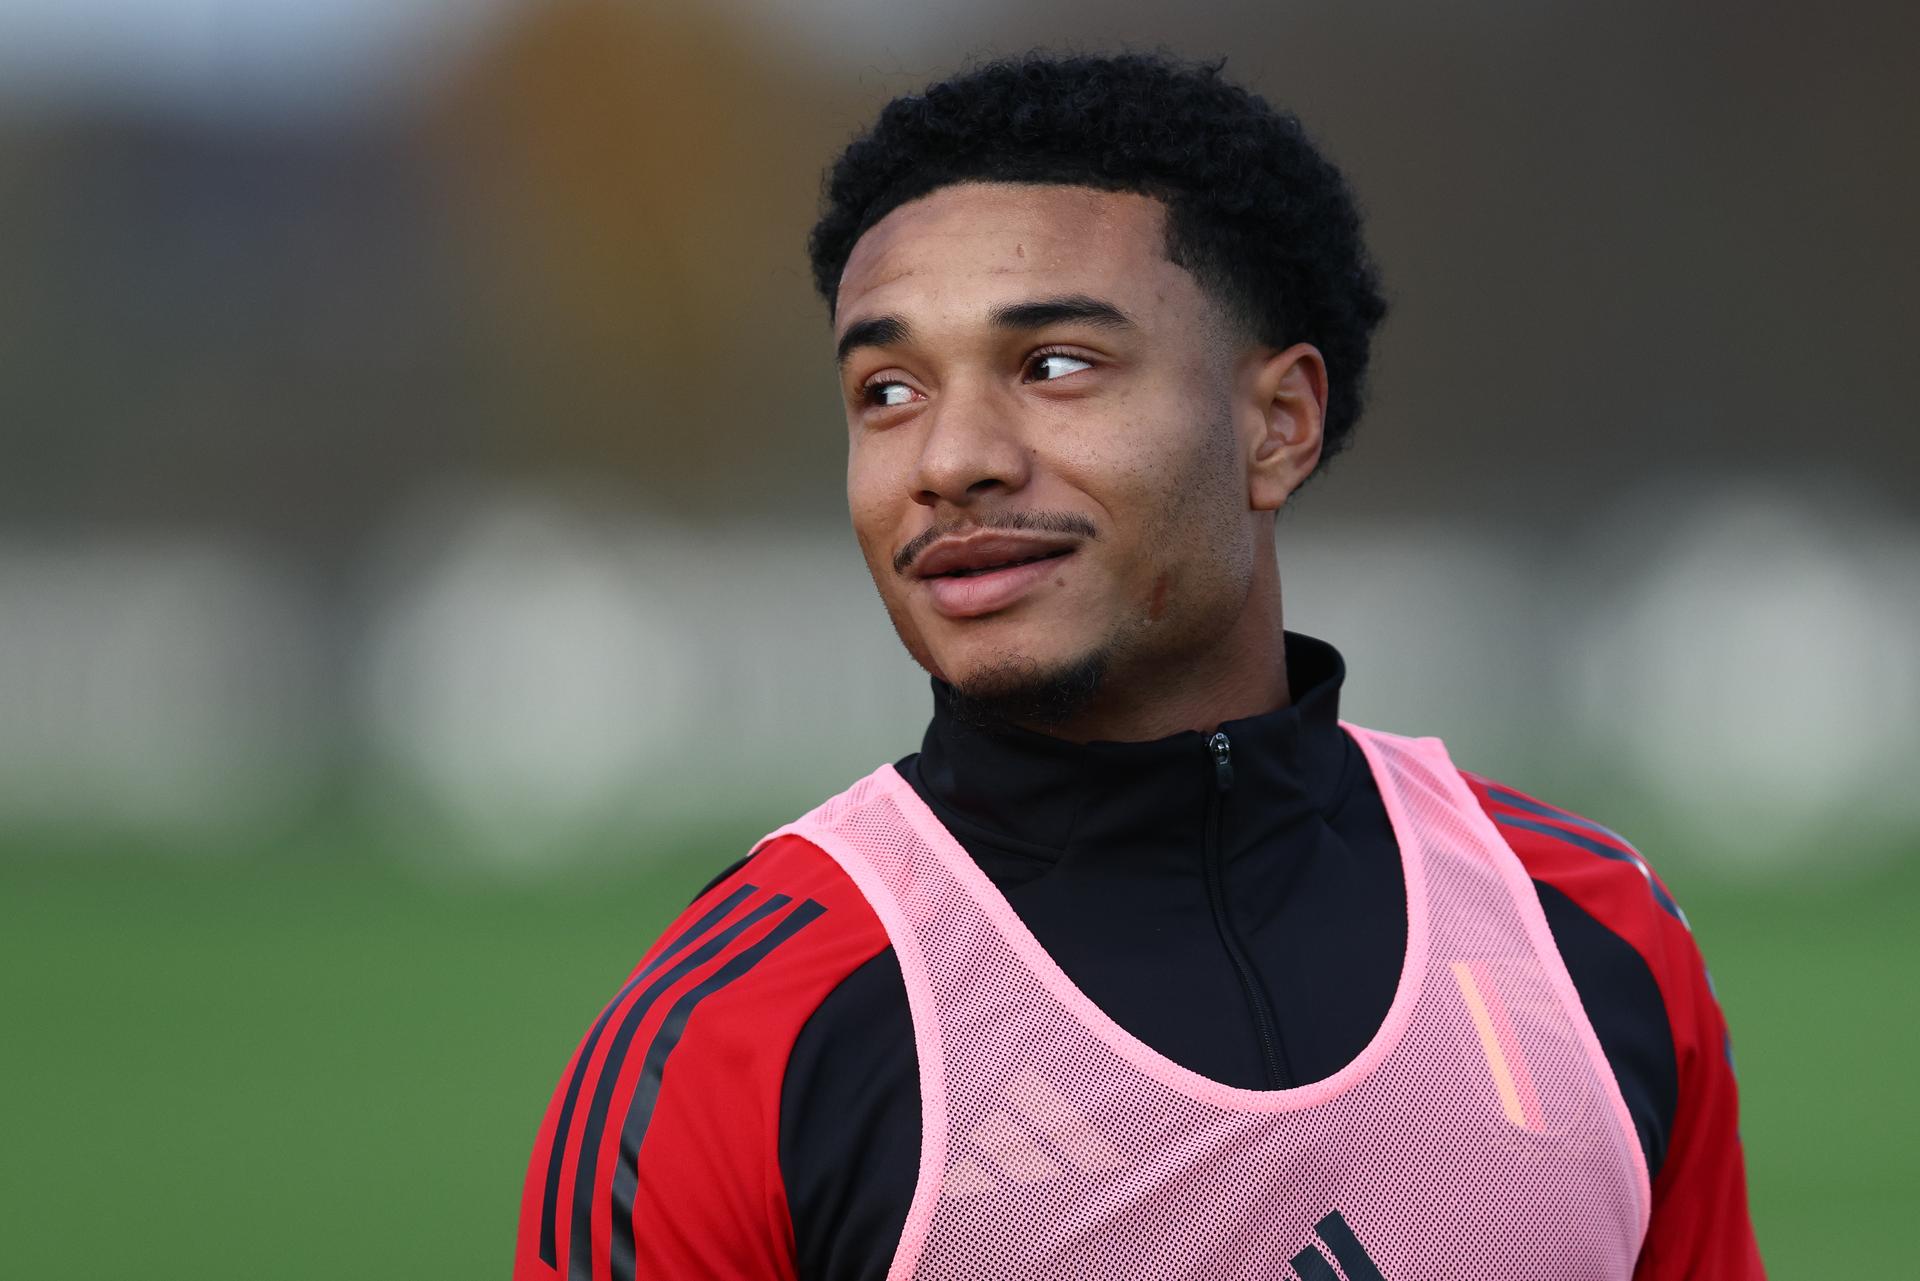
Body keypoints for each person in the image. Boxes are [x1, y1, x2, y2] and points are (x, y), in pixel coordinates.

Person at [512, 52, 1762, 1281]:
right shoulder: (740, 1033)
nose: (952, 459)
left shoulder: (1589, 930)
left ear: (1280, 425)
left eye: (1054, 366)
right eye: (888, 390)